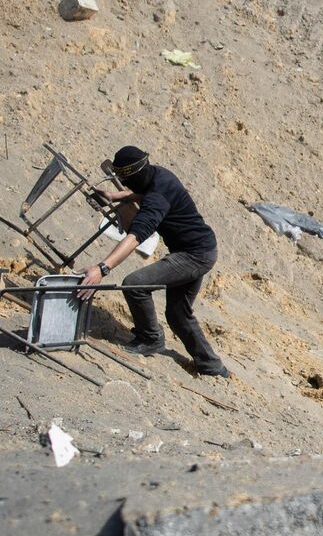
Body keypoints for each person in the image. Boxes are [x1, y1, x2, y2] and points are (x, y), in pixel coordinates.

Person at [78, 145, 229, 378]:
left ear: (134, 176)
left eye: (125, 181)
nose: (125, 185)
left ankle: (151, 338)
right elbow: (144, 193)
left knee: (134, 284)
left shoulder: (156, 198)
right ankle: (212, 367)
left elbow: (134, 238)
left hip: (194, 255)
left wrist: (102, 268)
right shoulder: (160, 176)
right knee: (178, 314)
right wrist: (116, 195)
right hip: (201, 248)